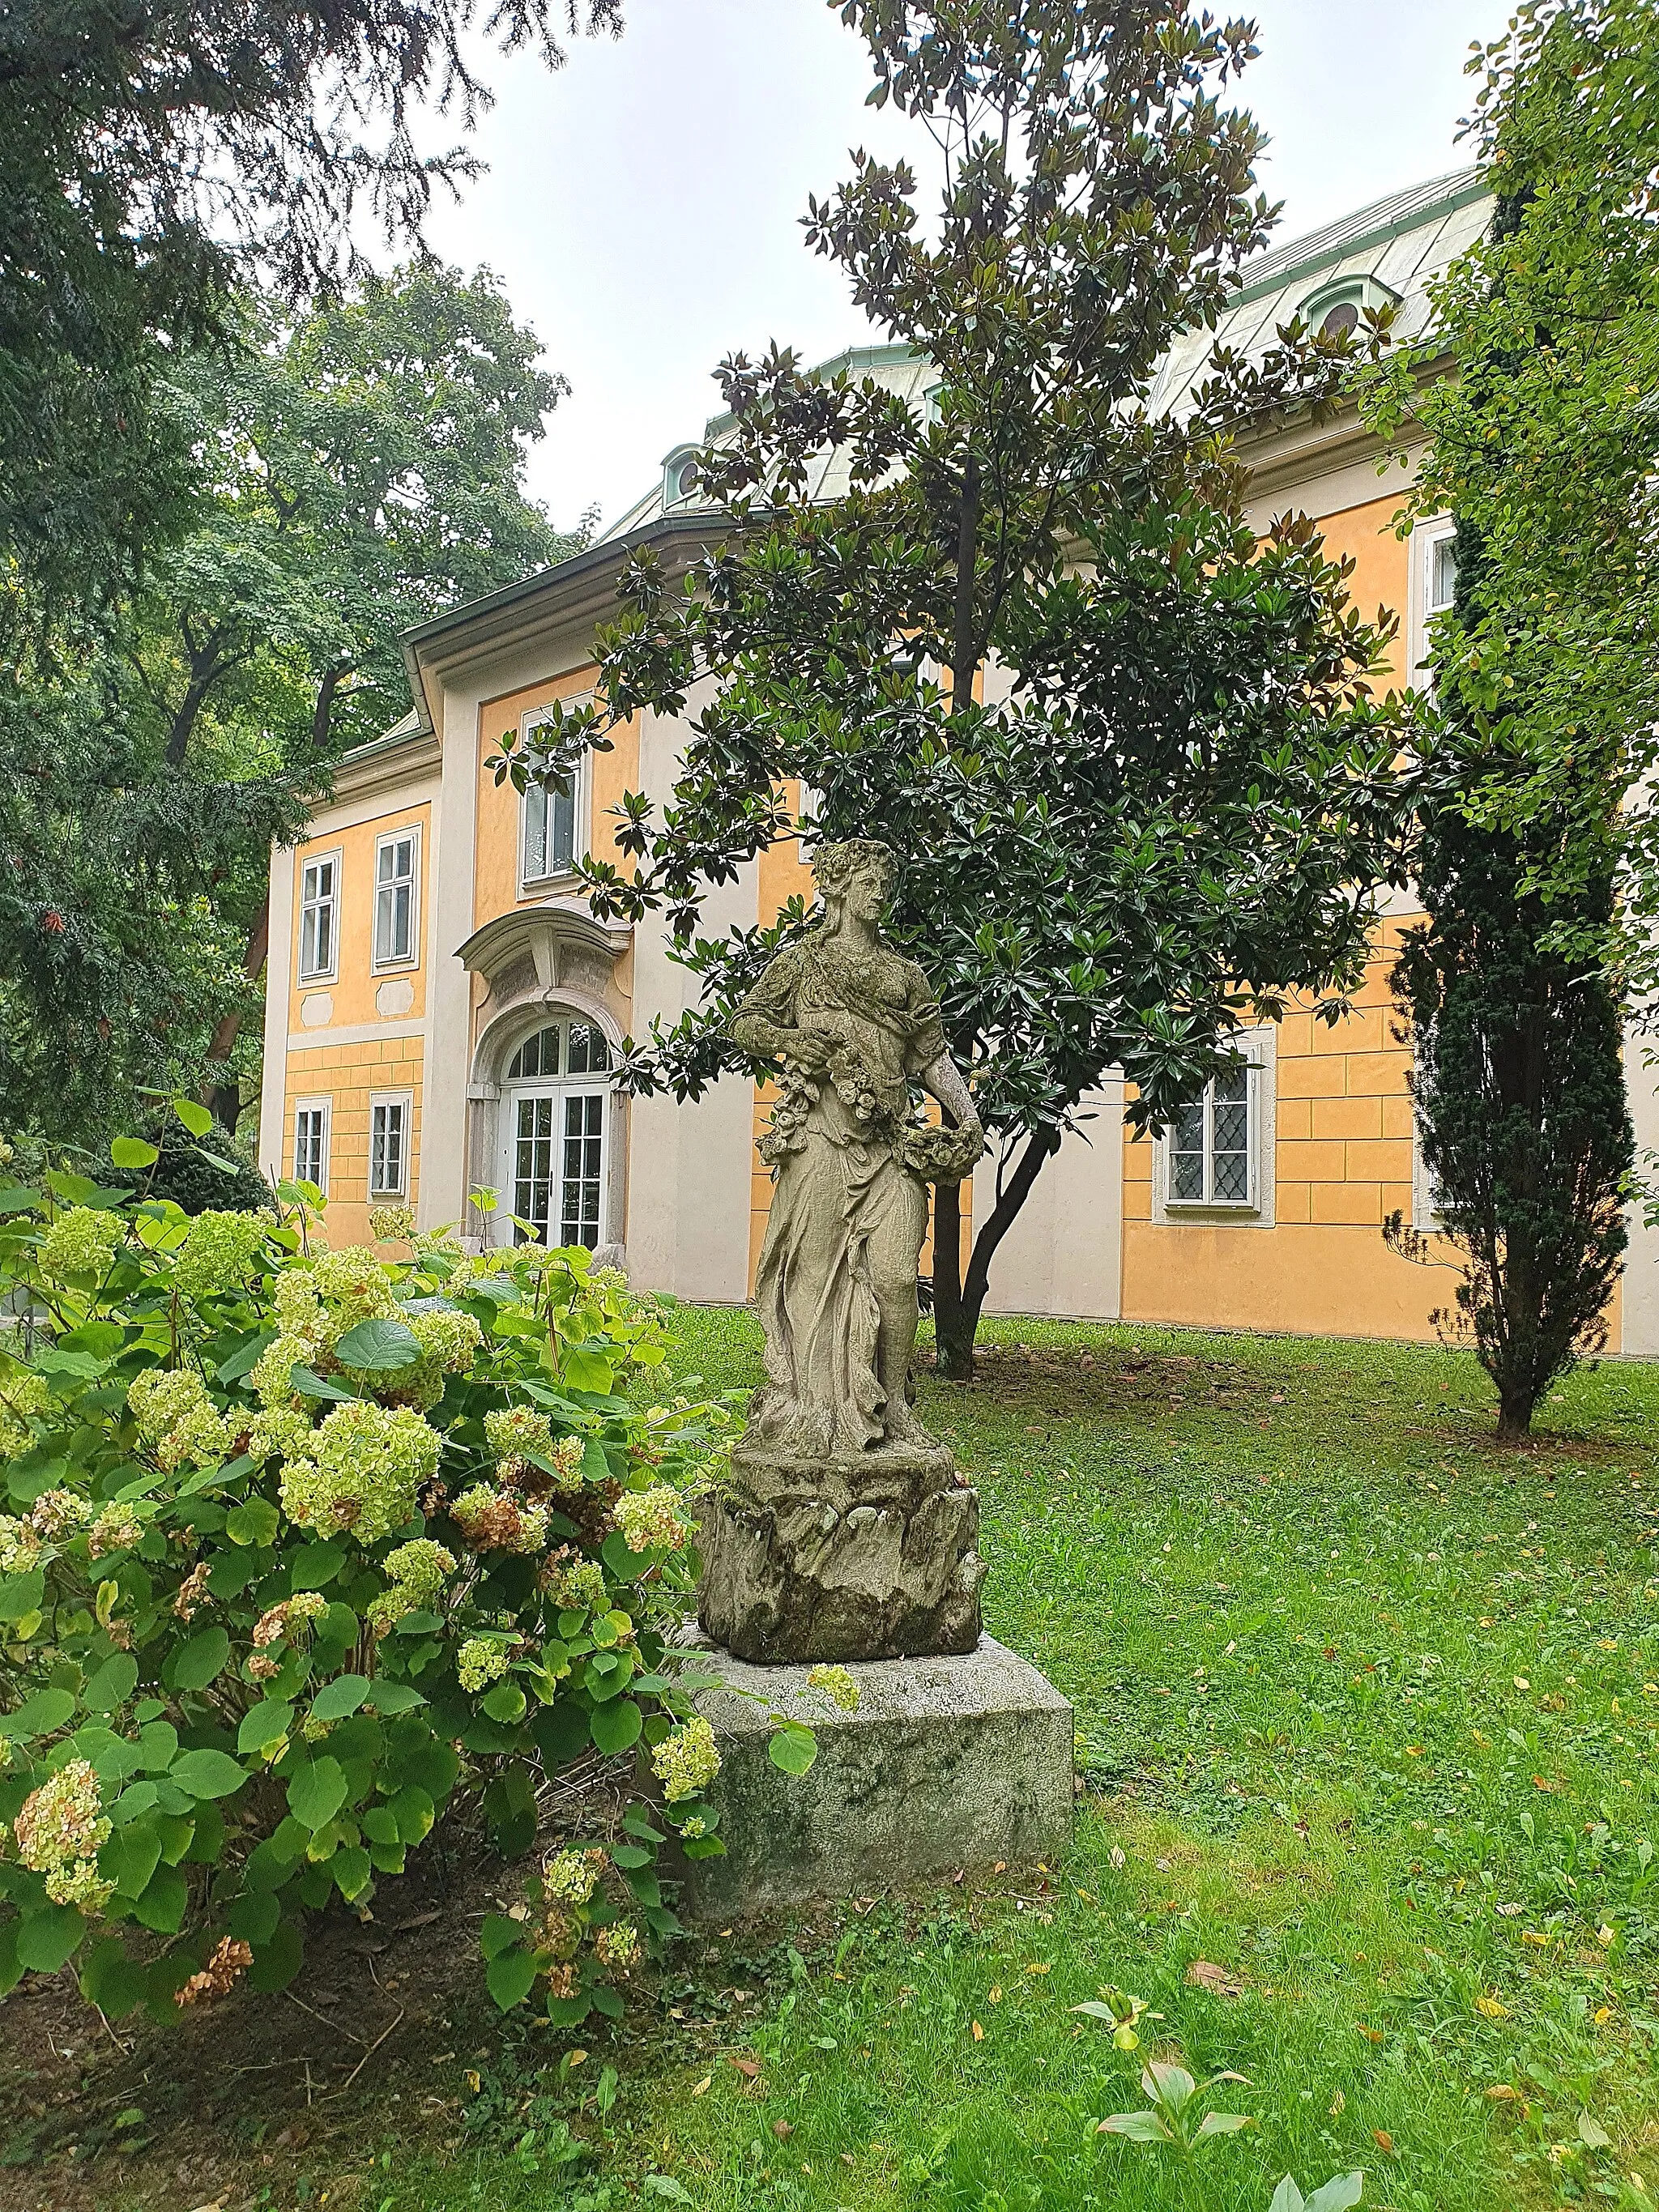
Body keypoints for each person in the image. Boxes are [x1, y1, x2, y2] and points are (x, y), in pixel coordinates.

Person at [728, 837, 984, 1459]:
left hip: (890, 1145)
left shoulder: (904, 975)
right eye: (871, 881)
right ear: (840, 888)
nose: (881, 894)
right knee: (814, 1278)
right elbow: (744, 1023)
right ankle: (814, 1411)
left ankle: (893, 1408)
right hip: (820, 1139)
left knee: (897, 1277)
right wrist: (790, 1038)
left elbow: (932, 1056)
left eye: (885, 883)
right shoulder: (800, 964)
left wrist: (968, 1114)